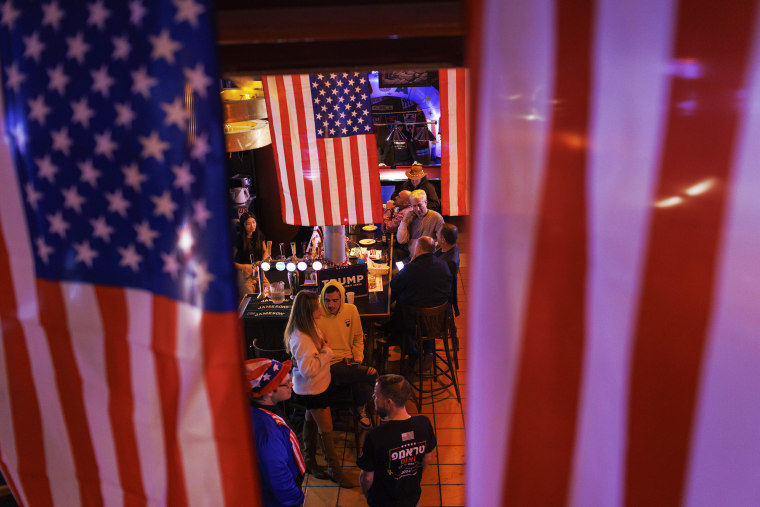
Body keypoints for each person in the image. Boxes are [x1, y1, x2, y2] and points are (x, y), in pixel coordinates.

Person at [284, 291, 356, 488]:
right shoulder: (301, 338)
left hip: (317, 386)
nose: (321, 307)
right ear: (308, 311)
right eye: (317, 305)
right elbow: (308, 370)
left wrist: (323, 348)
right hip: (313, 389)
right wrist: (326, 352)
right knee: (326, 428)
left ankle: (310, 462)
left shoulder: (309, 327)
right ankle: (334, 469)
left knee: (310, 420)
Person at [357, 374, 436, 507]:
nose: (373, 398)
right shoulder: (424, 424)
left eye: (377, 395)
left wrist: (368, 495)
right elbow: (427, 460)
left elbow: (367, 478)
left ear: (389, 402)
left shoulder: (374, 437)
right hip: (412, 499)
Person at [245, 357, 305, 507]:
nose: (291, 384)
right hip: (277, 501)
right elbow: (277, 473)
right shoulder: (268, 431)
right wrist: (296, 499)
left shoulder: (259, 410)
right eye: (286, 383)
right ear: (270, 391)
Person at [318, 281, 378, 429]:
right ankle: (377, 409)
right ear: (322, 299)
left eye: (335, 300)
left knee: (365, 388)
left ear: (342, 298)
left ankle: (359, 408)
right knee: (372, 374)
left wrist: (358, 358)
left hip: (348, 362)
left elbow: (358, 338)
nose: (331, 305)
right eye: (327, 300)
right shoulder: (316, 313)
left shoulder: (351, 310)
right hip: (328, 364)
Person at [390, 236, 452, 371]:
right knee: (427, 307)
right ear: (433, 249)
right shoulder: (443, 265)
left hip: (414, 325)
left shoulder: (410, 269)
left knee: (397, 316)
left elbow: (394, 285)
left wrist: (411, 263)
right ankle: (429, 350)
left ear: (418, 249)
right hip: (438, 322)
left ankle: (414, 353)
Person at [396, 189, 444, 261]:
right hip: (412, 258)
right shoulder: (410, 217)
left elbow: (442, 243)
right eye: (414, 206)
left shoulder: (436, 217)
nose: (417, 209)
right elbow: (401, 240)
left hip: (429, 259)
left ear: (426, 202)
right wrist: (404, 220)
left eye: (419, 205)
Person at [233, 212, 267, 296]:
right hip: (244, 271)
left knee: (268, 292)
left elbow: (265, 251)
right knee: (249, 296)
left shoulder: (259, 235)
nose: (252, 226)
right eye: (248, 224)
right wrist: (246, 267)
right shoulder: (238, 239)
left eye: (254, 222)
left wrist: (263, 262)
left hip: (257, 268)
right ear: (243, 225)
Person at [434, 223, 461, 317]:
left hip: (439, 298)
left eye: (438, 233)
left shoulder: (449, 262)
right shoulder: (449, 247)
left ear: (443, 240)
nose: (436, 234)